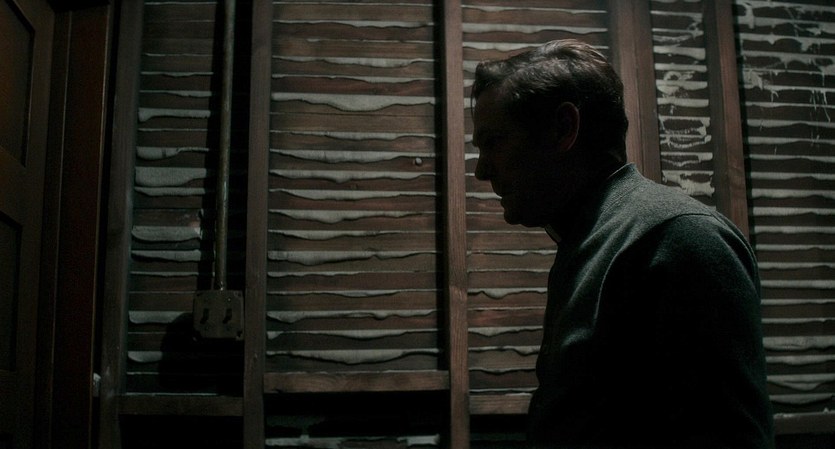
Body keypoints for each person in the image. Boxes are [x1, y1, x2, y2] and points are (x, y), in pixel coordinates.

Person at [471, 39, 775, 448]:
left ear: (564, 129)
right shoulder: (593, 242)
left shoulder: (678, 238)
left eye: (494, 142)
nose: (482, 170)